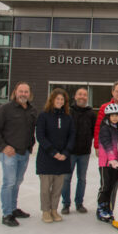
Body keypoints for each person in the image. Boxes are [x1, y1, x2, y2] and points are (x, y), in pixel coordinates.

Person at [0, 82, 38, 227]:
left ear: (29, 94)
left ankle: (13, 208)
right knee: (9, 182)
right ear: (15, 92)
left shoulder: (32, 110)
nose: (23, 94)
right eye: (21, 91)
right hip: (10, 153)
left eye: (26, 92)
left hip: (24, 152)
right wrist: (3, 147)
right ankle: (7, 214)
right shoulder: (5, 109)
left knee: (17, 182)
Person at [36, 88, 75, 223]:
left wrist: (65, 152)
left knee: (58, 188)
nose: (59, 101)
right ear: (52, 100)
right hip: (47, 158)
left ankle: (54, 209)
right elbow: (40, 136)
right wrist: (53, 152)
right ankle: (46, 211)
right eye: (57, 99)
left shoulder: (68, 117)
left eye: (62, 99)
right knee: (46, 188)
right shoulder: (43, 116)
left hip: (63, 158)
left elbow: (72, 136)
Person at [61, 87, 96, 215]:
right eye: (80, 94)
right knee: (66, 179)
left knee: (82, 179)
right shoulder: (68, 112)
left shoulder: (91, 113)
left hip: (84, 152)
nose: (82, 97)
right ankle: (66, 204)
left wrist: (89, 142)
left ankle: (79, 203)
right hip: (70, 152)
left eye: (85, 95)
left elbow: (93, 130)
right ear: (75, 97)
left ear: (87, 98)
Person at [96, 103, 118, 223]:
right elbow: (107, 145)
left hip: (116, 163)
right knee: (105, 185)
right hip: (106, 163)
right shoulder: (104, 129)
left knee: (114, 185)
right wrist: (112, 159)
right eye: (112, 116)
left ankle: (109, 206)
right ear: (107, 117)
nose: (114, 118)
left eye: (116, 115)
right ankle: (101, 207)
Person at [93, 81, 118, 156]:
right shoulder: (104, 108)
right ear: (112, 92)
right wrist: (97, 146)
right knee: (107, 167)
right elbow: (98, 128)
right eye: (117, 91)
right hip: (108, 146)